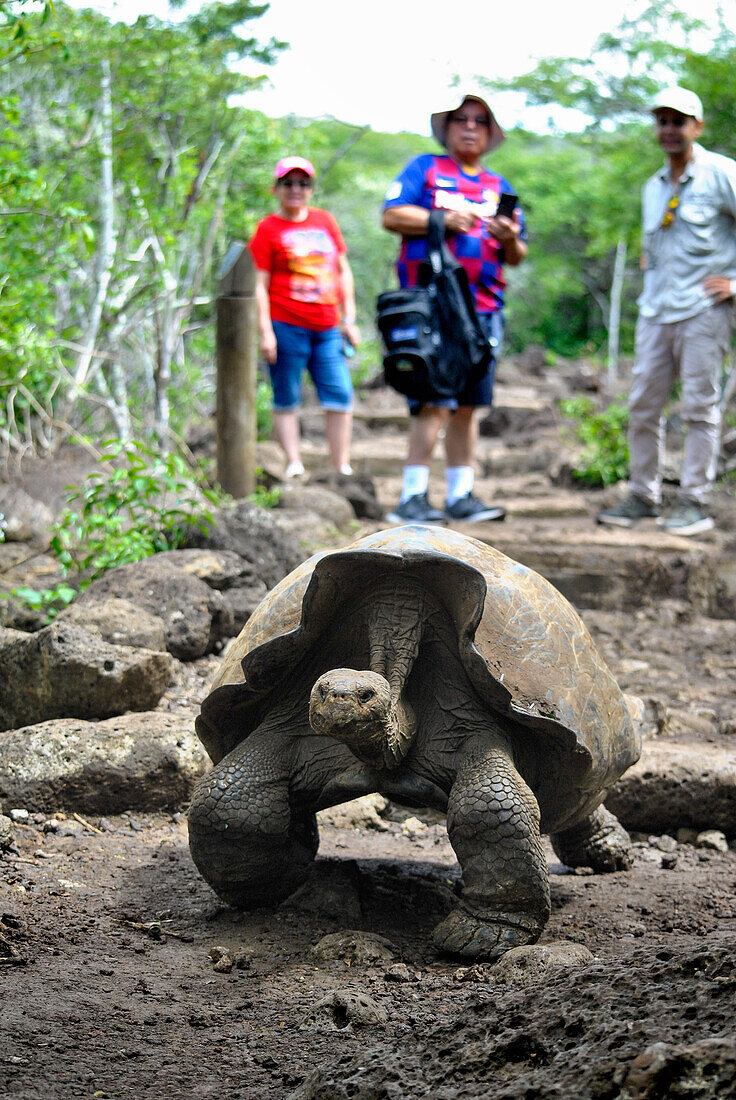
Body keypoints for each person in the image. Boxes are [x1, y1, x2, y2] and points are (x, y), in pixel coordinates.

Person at [382, 92, 527, 524]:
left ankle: (462, 495)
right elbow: (391, 216)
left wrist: (506, 237)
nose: (469, 126)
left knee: (468, 403)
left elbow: (518, 253)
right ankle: (412, 497)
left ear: (489, 131)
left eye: (479, 120)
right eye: (460, 119)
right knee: (435, 400)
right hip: (434, 306)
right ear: (446, 128)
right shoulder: (425, 169)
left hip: (484, 308)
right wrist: (440, 220)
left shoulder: (500, 186)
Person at [597, 87, 736, 536]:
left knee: (699, 406)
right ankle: (643, 495)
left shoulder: (722, 175)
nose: (670, 130)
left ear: (696, 126)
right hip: (656, 309)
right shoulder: (652, 187)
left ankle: (693, 500)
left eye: (679, 121)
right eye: (662, 121)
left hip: (704, 310)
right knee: (642, 405)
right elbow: (655, 248)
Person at [249, 156, 361, 478]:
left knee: (339, 392)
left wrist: (349, 318)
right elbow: (260, 285)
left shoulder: (325, 221)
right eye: (289, 183)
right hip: (286, 323)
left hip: (327, 326)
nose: (296, 189)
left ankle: (341, 465)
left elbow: (343, 271)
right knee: (286, 392)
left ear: (311, 189)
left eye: (303, 183)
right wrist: (265, 332)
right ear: (277, 188)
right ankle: (294, 463)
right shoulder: (267, 229)